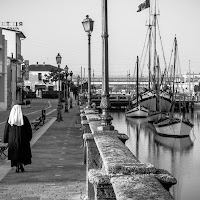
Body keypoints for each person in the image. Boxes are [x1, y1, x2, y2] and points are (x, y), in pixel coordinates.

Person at [4, 105, 32, 172]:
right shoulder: (24, 119)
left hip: (12, 140)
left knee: (15, 154)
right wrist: (28, 138)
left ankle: (16, 165)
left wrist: (6, 140)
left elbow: (6, 131)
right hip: (23, 140)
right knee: (22, 153)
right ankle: (21, 164)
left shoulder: (10, 119)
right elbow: (29, 130)